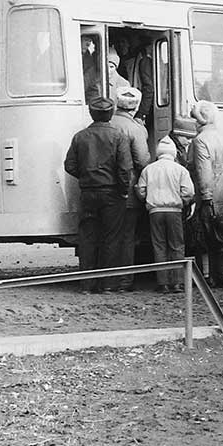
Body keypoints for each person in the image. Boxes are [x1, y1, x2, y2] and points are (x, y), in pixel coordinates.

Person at [63, 98, 132, 293]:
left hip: (88, 192)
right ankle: (108, 284)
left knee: (87, 238)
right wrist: (124, 189)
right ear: (111, 114)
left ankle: (87, 284)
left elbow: (69, 166)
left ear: (91, 114)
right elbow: (125, 168)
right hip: (112, 193)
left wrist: (86, 176)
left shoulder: (80, 137)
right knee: (112, 238)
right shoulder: (118, 137)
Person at [187, 100, 223, 287]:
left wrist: (206, 195)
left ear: (199, 121)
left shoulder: (200, 140)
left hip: (209, 193)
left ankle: (212, 277)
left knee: (208, 237)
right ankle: (222, 277)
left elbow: (203, 170)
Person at [136, 136, 195, 293]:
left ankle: (163, 283)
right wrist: (182, 201)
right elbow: (188, 192)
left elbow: (141, 191)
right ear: (174, 153)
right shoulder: (181, 170)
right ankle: (177, 282)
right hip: (174, 211)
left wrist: (148, 199)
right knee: (176, 246)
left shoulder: (148, 169)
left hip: (155, 212)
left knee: (159, 246)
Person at [110, 87, 151, 290]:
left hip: (105, 189)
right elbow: (142, 160)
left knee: (109, 235)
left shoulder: (106, 123)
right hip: (128, 189)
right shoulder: (134, 128)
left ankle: (107, 279)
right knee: (127, 236)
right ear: (135, 108)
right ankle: (124, 280)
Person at [114, 36, 154, 123]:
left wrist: (142, 113)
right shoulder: (124, 61)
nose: (120, 46)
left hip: (136, 108)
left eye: (123, 42)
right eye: (118, 43)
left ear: (129, 44)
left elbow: (148, 88)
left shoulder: (142, 60)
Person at [81, 35, 102, 105]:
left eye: (90, 41)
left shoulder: (89, 59)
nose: (88, 44)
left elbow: (88, 84)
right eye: (86, 40)